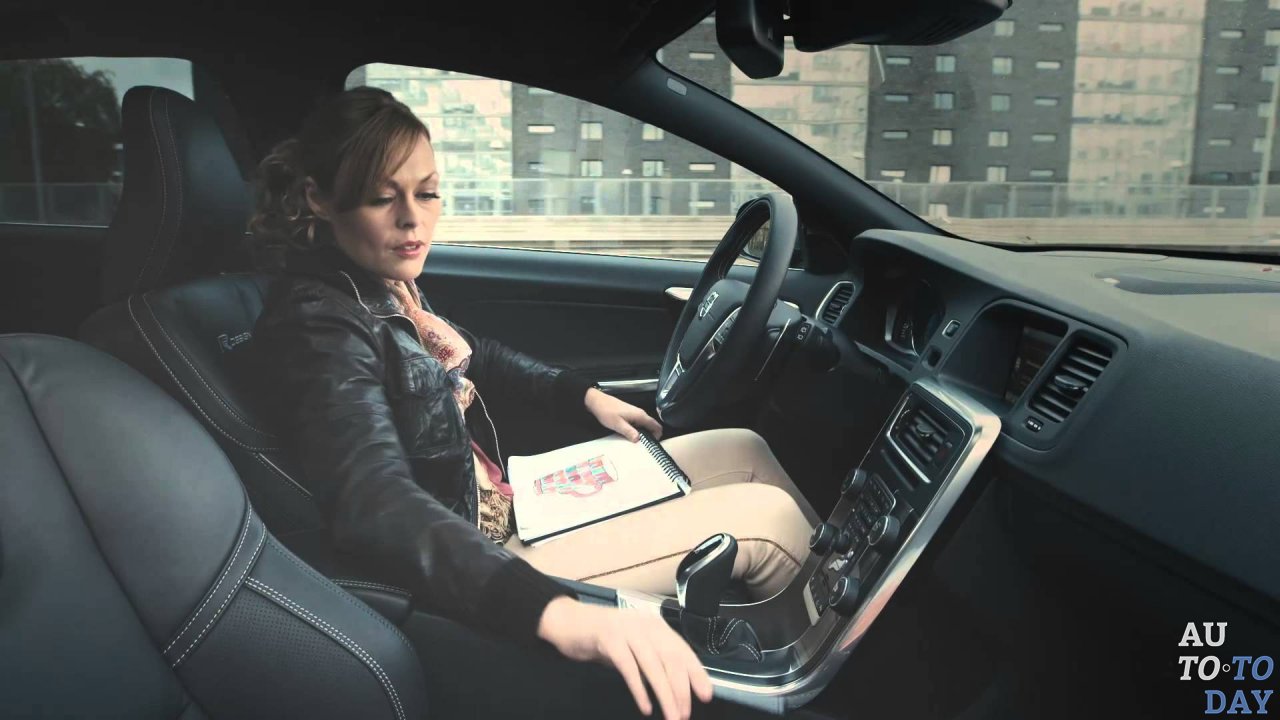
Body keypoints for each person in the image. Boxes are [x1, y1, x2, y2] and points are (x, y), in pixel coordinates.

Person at [248, 86, 818, 719]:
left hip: (505, 501)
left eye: (427, 193)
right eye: (383, 198)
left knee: (742, 447)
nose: (412, 219)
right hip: (485, 559)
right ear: (318, 198)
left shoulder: (381, 286)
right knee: (765, 521)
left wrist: (585, 396)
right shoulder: (318, 327)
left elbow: (478, 355)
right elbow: (373, 499)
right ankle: (827, 682)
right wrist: (554, 612)